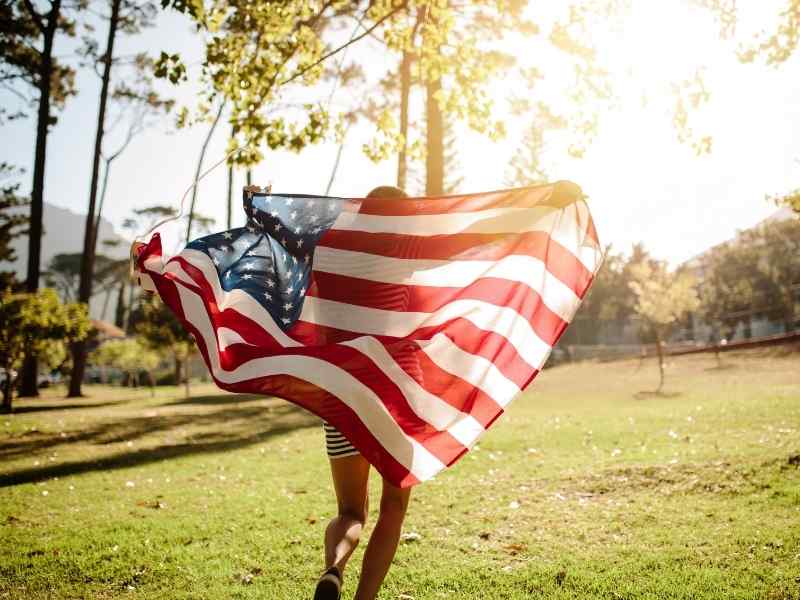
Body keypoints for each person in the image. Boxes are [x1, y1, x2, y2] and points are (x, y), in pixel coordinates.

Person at [314, 185, 412, 600]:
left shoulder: (327, 252)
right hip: (396, 393)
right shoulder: (410, 254)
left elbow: (274, 252)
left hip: (341, 393)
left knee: (350, 511)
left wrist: (259, 208)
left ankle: (333, 569)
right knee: (393, 507)